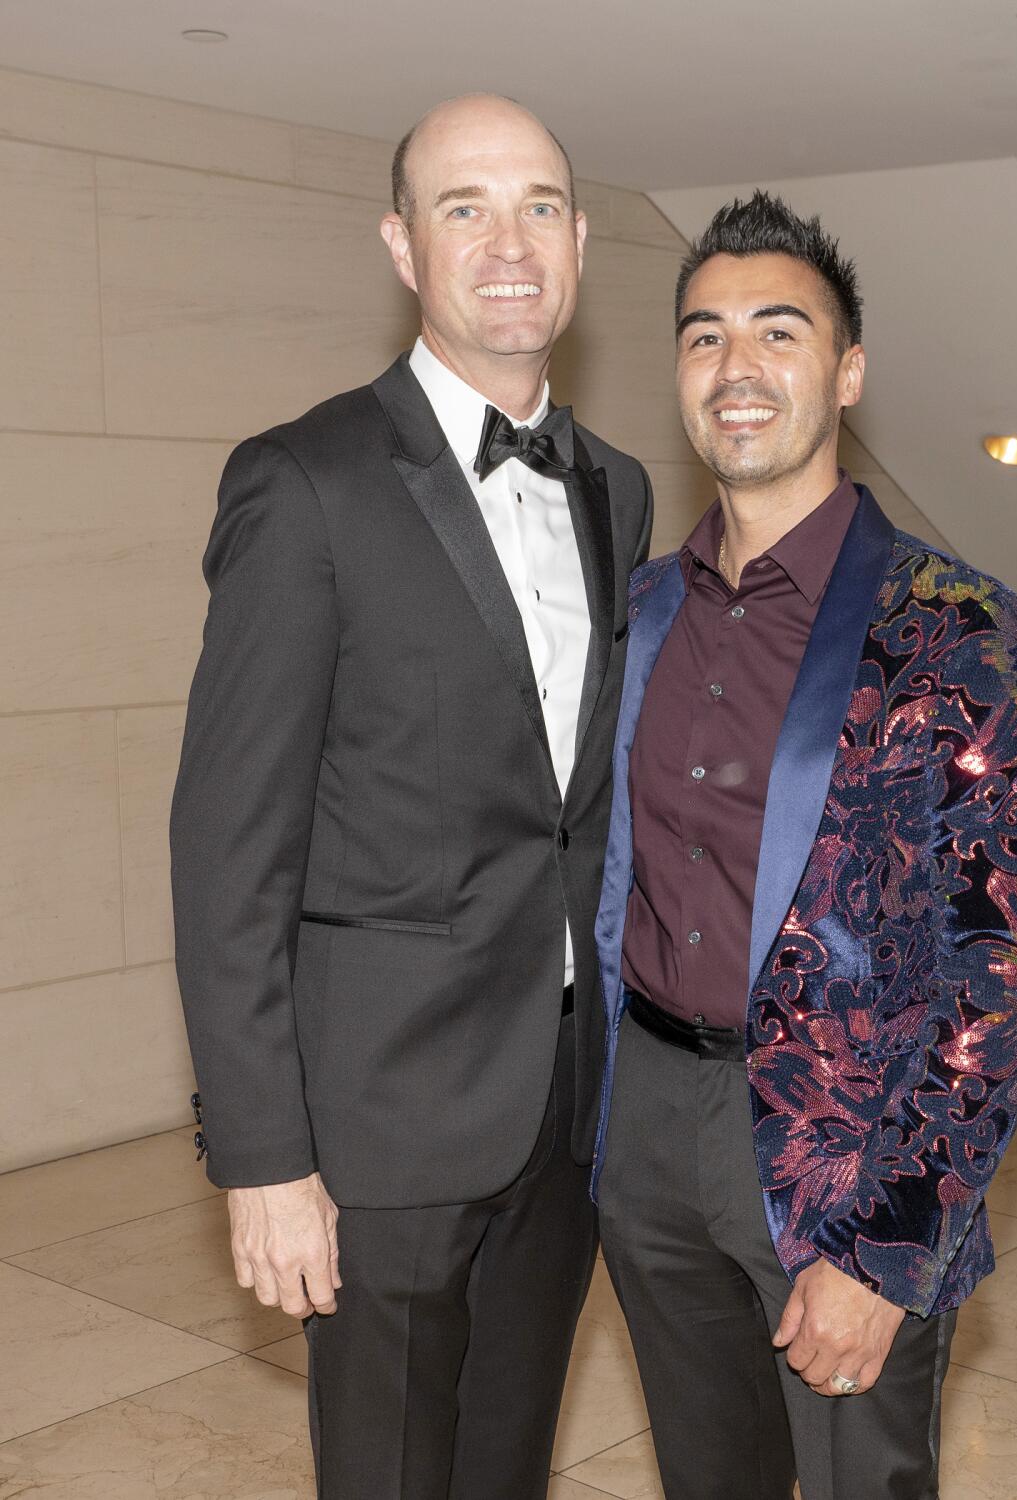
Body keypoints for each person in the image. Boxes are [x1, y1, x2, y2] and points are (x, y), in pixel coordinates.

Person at [170, 93, 652, 1498]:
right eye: (465, 208)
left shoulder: (616, 488)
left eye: (541, 208)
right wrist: (265, 1162)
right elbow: (227, 851)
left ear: (578, 242)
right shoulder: (304, 483)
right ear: (402, 246)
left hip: (570, 1102)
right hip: (380, 1121)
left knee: (506, 1460)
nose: (510, 244)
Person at [591, 191, 1017, 1500]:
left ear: (846, 371)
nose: (737, 370)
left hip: (849, 1163)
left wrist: (889, 1246)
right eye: (704, 336)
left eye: (778, 333)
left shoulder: (953, 624)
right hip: (649, 1133)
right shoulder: (637, 615)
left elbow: (999, 974)